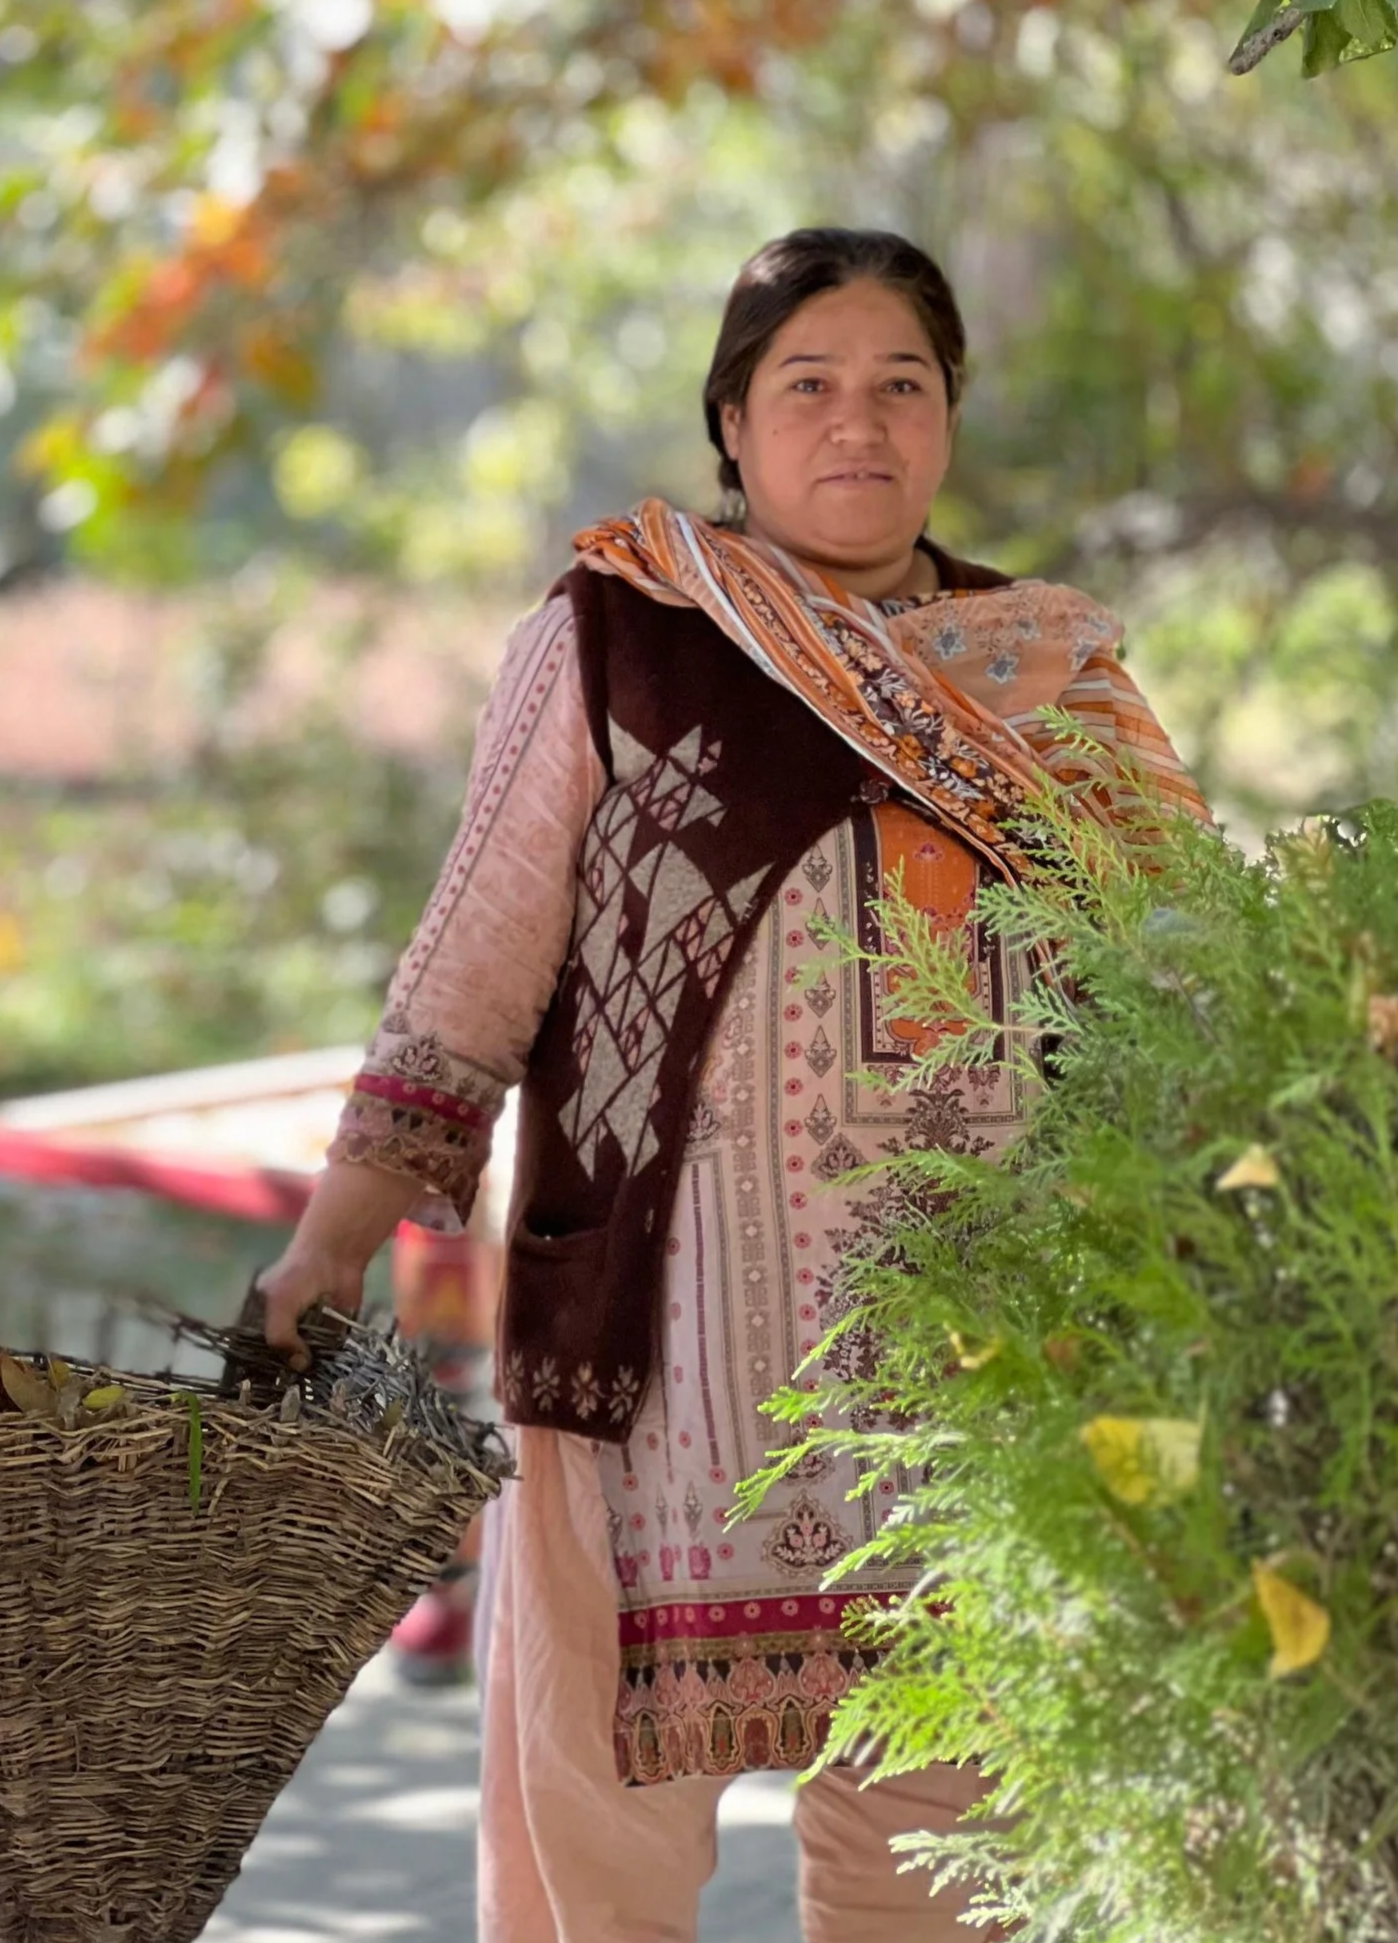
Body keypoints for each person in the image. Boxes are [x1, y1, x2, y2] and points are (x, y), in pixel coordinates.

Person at [259, 227, 1208, 1943]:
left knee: (954, 1871)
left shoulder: (1054, 673)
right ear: (733, 420)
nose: (860, 421)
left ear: (950, 414)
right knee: (600, 1855)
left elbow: (1192, 975)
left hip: (979, 1368)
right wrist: (337, 1233)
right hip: (659, 1354)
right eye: (809, 383)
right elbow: (476, 960)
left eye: (901, 384)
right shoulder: (620, 635)